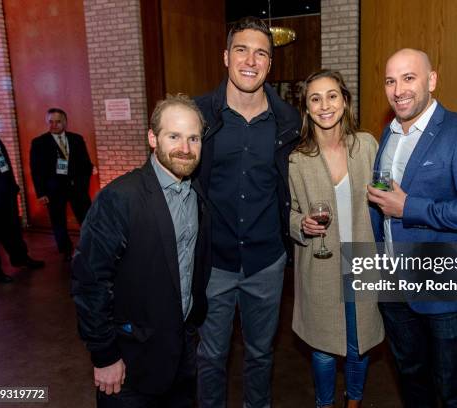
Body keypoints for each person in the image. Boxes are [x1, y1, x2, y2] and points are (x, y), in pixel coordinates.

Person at [367, 49, 457, 407]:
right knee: (412, 380)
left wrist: (408, 206)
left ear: (431, 80)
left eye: (409, 78)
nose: (398, 90)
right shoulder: (389, 133)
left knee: (452, 389)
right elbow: (384, 204)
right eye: (390, 81)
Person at [71, 94, 211, 407]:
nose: (185, 149)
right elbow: (90, 282)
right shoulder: (120, 198)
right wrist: (104, 355)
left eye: (193, 138)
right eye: (174, 136)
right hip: (131, 360)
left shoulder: (196, 195)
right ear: (152, 138)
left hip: (182, 353)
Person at [194, 16, 301, 408]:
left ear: (270, 64)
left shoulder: (289, 119)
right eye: (241, 50)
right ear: (226, 56)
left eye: (261, 53)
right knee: (210, 356)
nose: (250, 61)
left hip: (265, 262)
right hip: (213, 261)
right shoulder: (198, 114)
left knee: (259, 354)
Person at [288, 69, 384, 408]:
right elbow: (289, 211)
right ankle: (324, 403)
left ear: (344, 101)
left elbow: (387, 195)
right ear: (307, 108)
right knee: (324, 346)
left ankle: (354, 402)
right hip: (320, 263)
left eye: (332, 96)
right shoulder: (297, 159)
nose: (324, 105)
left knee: (360, 342)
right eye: (315, 98)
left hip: (362, 259)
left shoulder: (368, 146)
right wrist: (301, 223)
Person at [0, 99, 44, 283]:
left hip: (4, 195)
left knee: (12, 230)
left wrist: (13, 186)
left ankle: (20, 258)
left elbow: (3, 163)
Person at [30, 108, 93, 260]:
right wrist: (41, 193)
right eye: (50, 122)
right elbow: (36, 170)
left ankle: (91, 245)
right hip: (54, 190)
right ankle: (65, 249)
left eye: (58, 122)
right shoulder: (39, 143)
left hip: (77, 188)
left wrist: (83, 185)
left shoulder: (76, 139)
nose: (54, 125)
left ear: (65, 122)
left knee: (87, 217)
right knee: (58, 221)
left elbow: (86, 164)